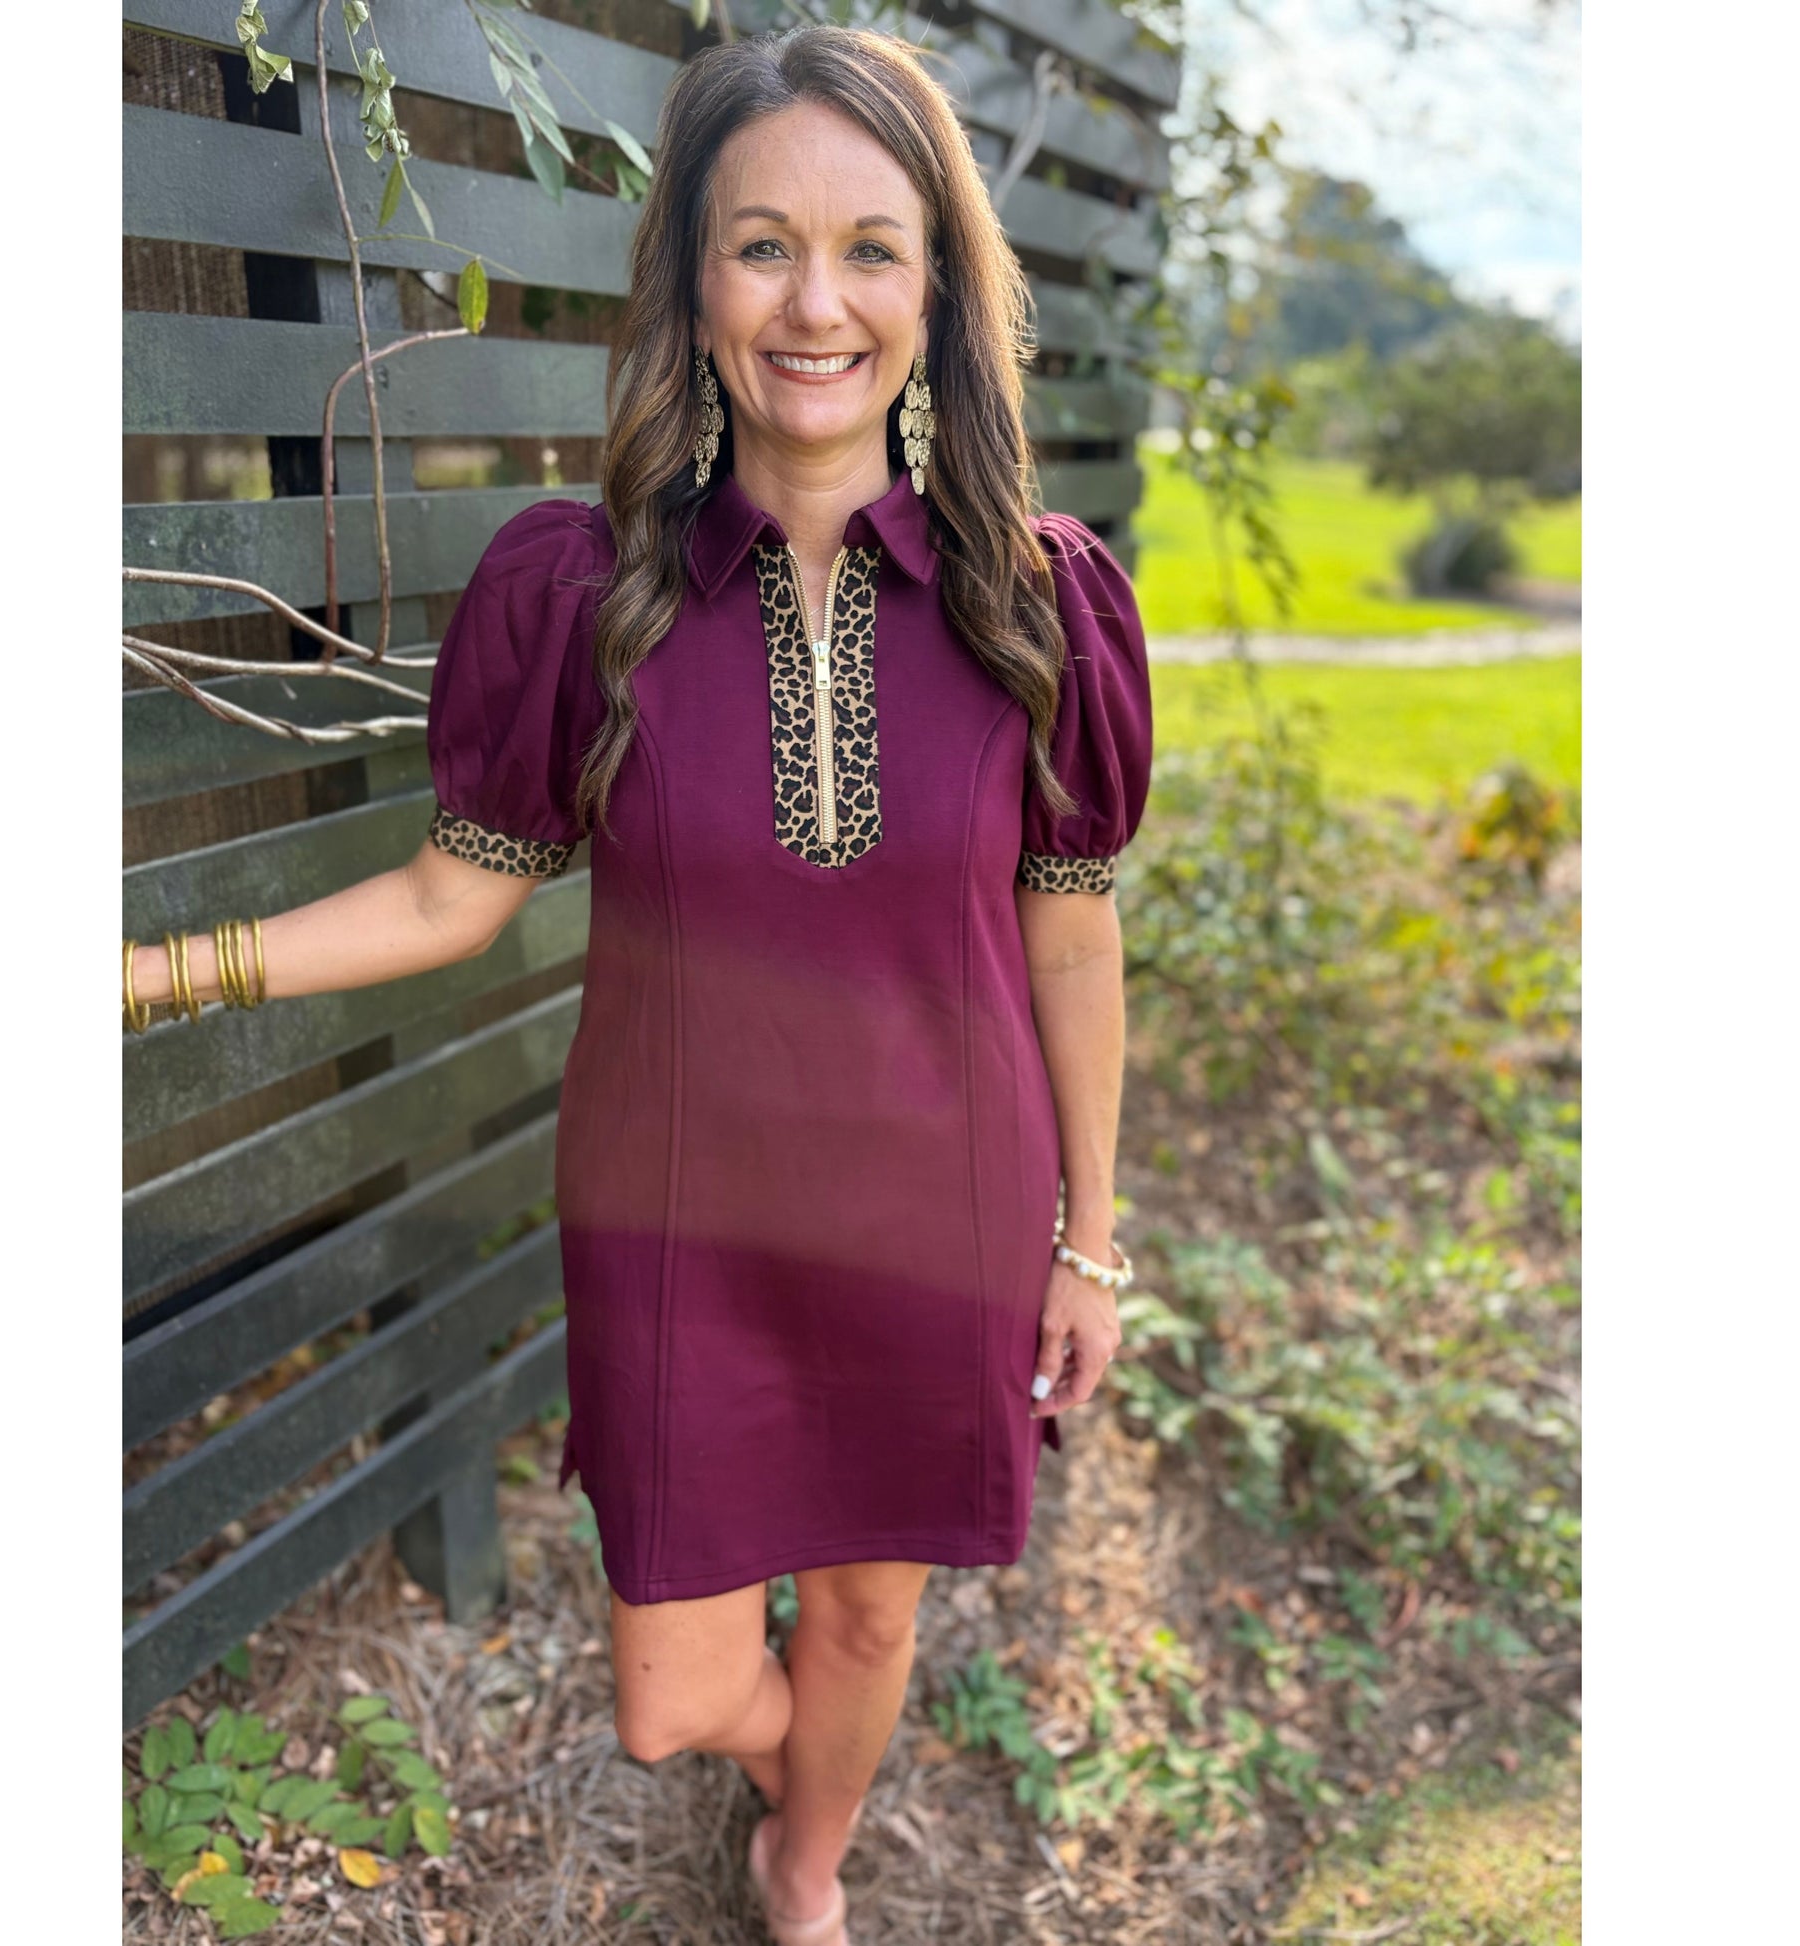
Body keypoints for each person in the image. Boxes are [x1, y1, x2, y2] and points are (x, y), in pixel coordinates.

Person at [123, 23, 1152, 1945]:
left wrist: (1090, 1235)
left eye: (871, 246)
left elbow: (1070, 933)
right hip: (684, 1222)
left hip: (946, 1203)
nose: (817, 300)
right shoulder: (583, 589)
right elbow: (450, 899)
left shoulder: (1038, 600)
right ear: (691, 278)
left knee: (866, 1606)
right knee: (674, 1694)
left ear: (935, 285)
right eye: (761, 245)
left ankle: (805, 1855)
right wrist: (143, 971)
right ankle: (777, 1770)